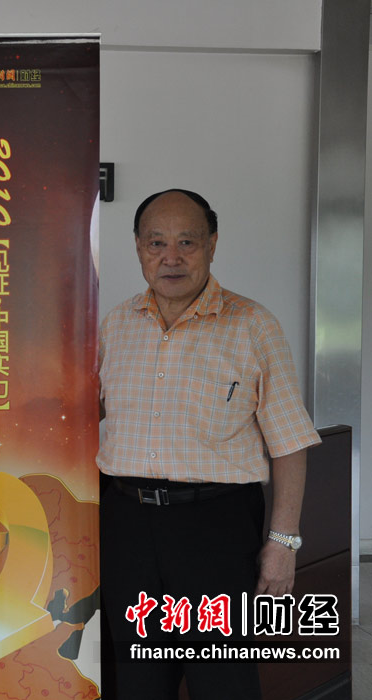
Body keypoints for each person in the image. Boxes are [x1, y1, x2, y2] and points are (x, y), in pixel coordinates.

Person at [97, 189, 321, 700]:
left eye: (187, 242)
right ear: (138, 247)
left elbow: (289, 441)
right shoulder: (116, 325)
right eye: (156, 242)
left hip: (215, 528)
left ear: (212, 245)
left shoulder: (252, 325)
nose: (170, 257)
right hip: (126, 524)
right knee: (134, 679)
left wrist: (283, 543)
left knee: (223, 681)